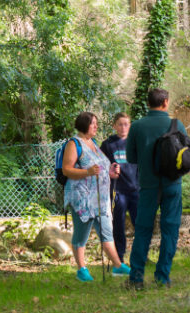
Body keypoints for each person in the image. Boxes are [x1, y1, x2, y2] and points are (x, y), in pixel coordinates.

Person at [124, 88, 187, 289]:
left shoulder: (137, 126)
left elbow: (131, 158)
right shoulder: (177, 125)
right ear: (166, 102)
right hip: (172, 184)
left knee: (143, 230)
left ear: (147, 103)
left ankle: (136, 279)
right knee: (170, 229)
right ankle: (162, 277)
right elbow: (186, 155)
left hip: (148, 186)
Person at [63, 111, 131, 282]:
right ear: (84, 124)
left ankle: (117, 266)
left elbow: (99, 168)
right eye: (93, 123)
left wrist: (110, 172)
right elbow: (67, 169)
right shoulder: (74, 143)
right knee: (81, 234)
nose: (96, 126)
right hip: (82, 199)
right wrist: (87, 171)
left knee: (107, 232)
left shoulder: (93, 142)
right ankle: (82, 269)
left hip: (100, 200)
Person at [101, 112, 139, 265]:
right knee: (118, 225)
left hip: (136, 190)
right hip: (118, 191)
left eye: (126, 124)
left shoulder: (135, 143)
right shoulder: (108, 144)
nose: (123, 127)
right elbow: (102, 166)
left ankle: (139, 256)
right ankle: (120, 258)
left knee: (140, 224)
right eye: (120, 124)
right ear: (114, 126)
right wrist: (110, 171)